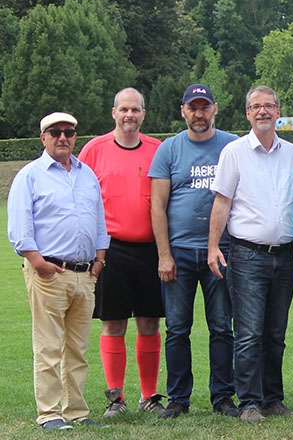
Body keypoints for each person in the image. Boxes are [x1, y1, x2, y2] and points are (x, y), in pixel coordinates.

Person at [7, 112, 110, 430]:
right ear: (43, 137)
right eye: (55, 132)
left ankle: (76, 411)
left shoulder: (87, 174)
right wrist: (38, 263)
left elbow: (99, 221)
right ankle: (49, 414)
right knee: (49, 346)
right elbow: (20, 226)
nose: (63, 137)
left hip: (84, 274)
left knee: (77, 349)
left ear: (75, 136)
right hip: (49, 273)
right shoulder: (31, 175)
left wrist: (99, 261)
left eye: (69, 132)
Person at [207, 86, 293, 423]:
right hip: (246, 256)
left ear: (279, 111)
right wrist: (213, 246)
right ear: (247, 113)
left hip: (284, 254)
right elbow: (222, 201)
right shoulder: (234, 152)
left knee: (276, 333)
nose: (263, 111)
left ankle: (273, 399)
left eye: (269, 106)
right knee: (248, 333)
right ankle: (249, 402)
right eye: (255, 107)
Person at [150, 84, 239, 419]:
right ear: (183, 110)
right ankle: (178, 399)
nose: (199, 114)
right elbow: (157, 207)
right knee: (177, 328)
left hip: (221, 251)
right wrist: (164, 255)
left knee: (221, 326)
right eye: (193, 107)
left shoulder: (232, 146)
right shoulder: (169, 150)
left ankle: (222, 396)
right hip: (181, 252)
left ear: (215, 109)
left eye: (204, 107)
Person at [78, 88, 166, 417]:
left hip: (150, 249)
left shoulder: (157, 150)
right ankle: (115, 399)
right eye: (124, 109)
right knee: (113, 324)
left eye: (136, 110)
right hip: (110, 251)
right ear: (113, 112)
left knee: (149, 323)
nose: (130, 115)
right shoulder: (94, 150)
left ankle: (149, 396)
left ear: (144, 114)